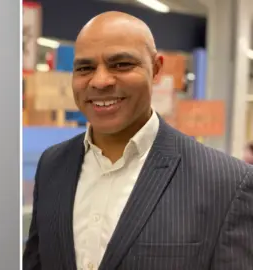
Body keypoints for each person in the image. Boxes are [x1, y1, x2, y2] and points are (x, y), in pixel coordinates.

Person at [23, 11, 253, 270]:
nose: (100, 81)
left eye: (121, 64)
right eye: (85, 68)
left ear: (155, 69)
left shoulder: (227, 184)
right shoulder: (52, 165)